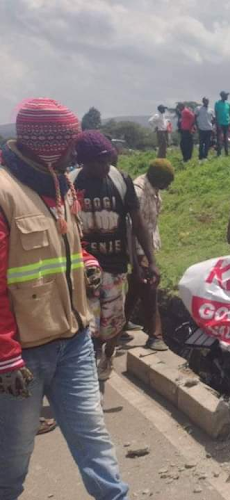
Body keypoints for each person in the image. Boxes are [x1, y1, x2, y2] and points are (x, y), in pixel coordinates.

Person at [0, 98, 174, 500]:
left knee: (92, 434)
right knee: (16, 444)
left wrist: (89, 262)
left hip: (73, 335)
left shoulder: (59, 186)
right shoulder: (4, 192)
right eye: (68, 140)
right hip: (25, 347)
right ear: (47, 142)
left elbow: (68, 247)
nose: (75, 149)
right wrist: (6, 353)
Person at [72, 131, 159, 382]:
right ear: (84, 161)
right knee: (88, 325)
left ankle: (108, 355)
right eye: (99, 161)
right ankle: (89, 366)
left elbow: (138, 223)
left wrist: (149, 261)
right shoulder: (70, 183)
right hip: (83, 269)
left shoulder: (121, 181)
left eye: (108, 159)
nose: (105, 166)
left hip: (115, 266)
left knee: (113, 321)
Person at [124, 159, 173, 351]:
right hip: (138, 249)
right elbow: (131, 229)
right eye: (166, 182)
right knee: (150, 287)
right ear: (157, 178)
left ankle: (119, 326)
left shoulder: (152, 190)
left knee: (136, 288)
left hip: (146, 248)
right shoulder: (138, 192)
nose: (168, 186)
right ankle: (155, 336)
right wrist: (136, 262)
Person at [195, 97, 214, 161]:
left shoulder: (211, 110)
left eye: (207, 101)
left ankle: (205, 156)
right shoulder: (198, 108)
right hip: (201, 129)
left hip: (209, 129)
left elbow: (214, 119)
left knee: (207, 144)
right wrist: (197, 126)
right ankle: (200, 156)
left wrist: (212, 126)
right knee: (201, 144)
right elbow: (195, 117)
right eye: (205, 101)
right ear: (203, 101)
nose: (207, 102)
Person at [214, 91, 230, 156]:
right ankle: (219, 153)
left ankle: (227, 153)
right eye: (226, 95)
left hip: (227, 123)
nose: (227, 97)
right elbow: (216, 114)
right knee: (219, 139)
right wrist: (217, 124)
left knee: (226, 139)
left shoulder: (228, 104)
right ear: (222, 96)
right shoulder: (217, 103)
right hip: (220, 123)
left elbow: (229, 114)